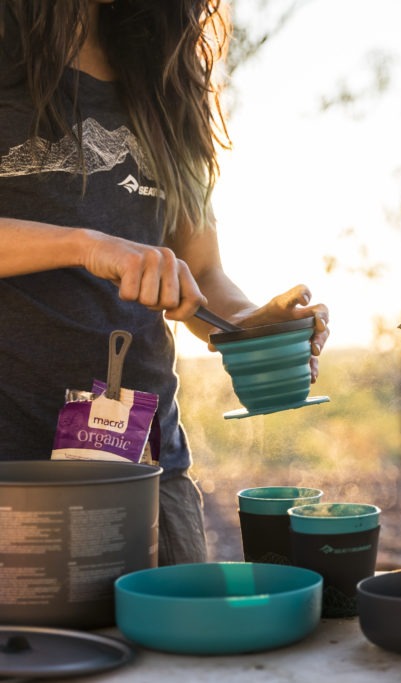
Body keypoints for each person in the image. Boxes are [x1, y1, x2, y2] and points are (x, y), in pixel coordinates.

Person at [0, 1, 330, 565]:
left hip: (148, 466)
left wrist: (250, 324)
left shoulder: (168, 82)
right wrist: (84, 244)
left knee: (177, 651)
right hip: (12, 472)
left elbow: (200, 274)